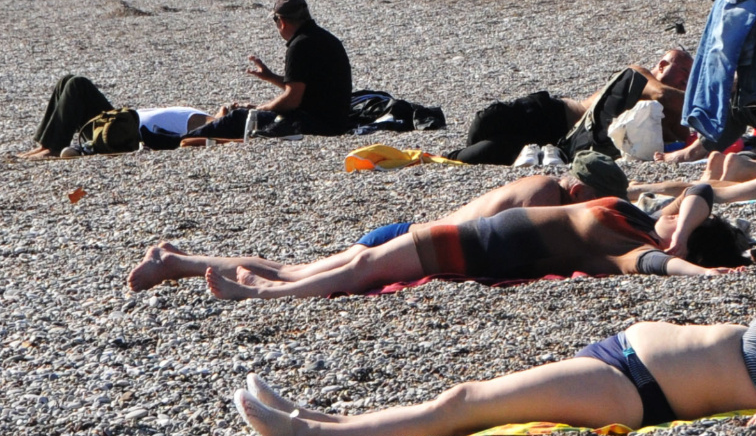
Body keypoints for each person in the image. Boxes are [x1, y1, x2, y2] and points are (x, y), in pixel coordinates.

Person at [235, 301, 756, 436]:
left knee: (466, 401)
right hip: (619, 358)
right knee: (469, 398)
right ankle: (325, 421)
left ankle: (311, 433)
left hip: (632, 391)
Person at [127, 151, 635, 291]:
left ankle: (179, 260)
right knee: (290, 275)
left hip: (409, 235)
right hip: (414, 245)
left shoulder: (542, 186)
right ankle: (177, 263)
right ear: (585, 192)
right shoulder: (549, 195)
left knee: (290, 268)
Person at [201, 183, 750, 301]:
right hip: (477, 236)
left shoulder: (626, 249)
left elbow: (658, 268)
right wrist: (681, 227)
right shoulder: (640, 219)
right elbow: (699, 191)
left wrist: (702, 273)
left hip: (483, 250)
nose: (676, 222)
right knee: (363, 260)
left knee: (361, 268)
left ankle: (263, 293)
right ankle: (270, 280)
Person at [447, 50, 692, 165]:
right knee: (483, 125)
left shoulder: (671, 110)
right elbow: (664, 94)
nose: (685, 81)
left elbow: (676, 142)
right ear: (661, 65)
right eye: (682, 73)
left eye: (690, 79)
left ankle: (445, 160)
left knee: (485, 154)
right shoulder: (640, 76)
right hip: (553, 114)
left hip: (561, 141)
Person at [185, 0, 353, 139]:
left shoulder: (299, 46)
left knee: (238, 117)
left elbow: (292, 100)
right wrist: (271, 77)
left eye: (275, 20)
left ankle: (176, 140)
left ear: (282, 22)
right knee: (244, 115)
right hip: (334, 120)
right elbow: (306, 89)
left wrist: (261, 109)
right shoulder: (323, 38)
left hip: (317, 124)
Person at [18, 75, 216, 159]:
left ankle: (52, 148)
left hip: (119, 133)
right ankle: (45, 145)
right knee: (66, 81)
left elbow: (216, 131)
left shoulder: (208, 123)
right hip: (121, 122)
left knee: (78, 84)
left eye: (237, 108)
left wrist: (235, 114)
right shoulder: (197, 113)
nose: (233, 105)